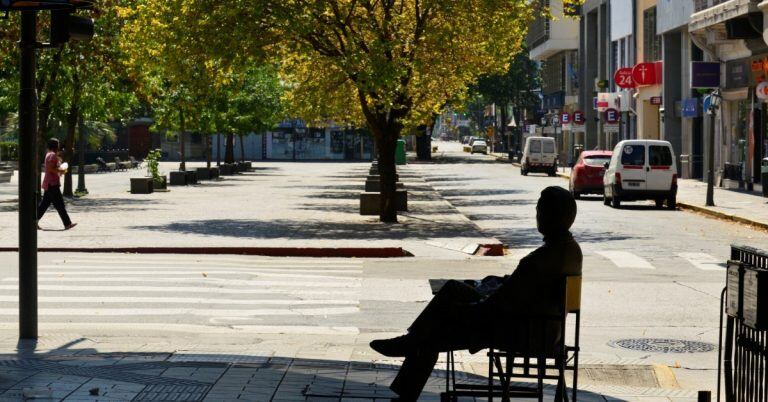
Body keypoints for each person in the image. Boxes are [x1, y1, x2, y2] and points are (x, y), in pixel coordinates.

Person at [370, 186, 581, 401]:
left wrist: (465, 310)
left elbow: (498, 303)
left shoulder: (539, 260)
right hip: (543, 328)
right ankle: (411, 343)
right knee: (445, 309)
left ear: (550, 216)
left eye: (540, 209)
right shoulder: (571, 250)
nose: (537, 214)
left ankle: (410, 344)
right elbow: (519, 288)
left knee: (437, 323)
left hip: (520, 331)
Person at [37, 138, 77, 230]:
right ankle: (67, 224)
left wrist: (59, 169)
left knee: (44, 205)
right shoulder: (52, 155)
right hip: (52, 184)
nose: (59, 146)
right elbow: (51, 169)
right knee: (60, 205)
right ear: (55, 146)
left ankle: (33, 222)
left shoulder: (49, 154)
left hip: (49, 183)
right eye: (58, 144)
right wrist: (61, 170)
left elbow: (51, 168)